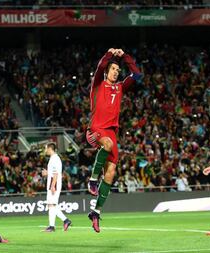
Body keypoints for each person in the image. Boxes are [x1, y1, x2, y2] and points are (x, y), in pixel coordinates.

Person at [86, 48, 141, 232]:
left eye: (118, 70)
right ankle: (93, 179)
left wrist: (125, 56)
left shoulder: (120, 87)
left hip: (111, 132)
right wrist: (109, 54)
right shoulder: (97, 84)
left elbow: (138, 75)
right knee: (107, 145)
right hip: (97, 127)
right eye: (113, 69)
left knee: (110, 174)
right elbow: (101, 65)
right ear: (107, 72)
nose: (116, 72)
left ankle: (96, 211)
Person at [41, 142, 72, 232]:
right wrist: (47, 173)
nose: (45, 150)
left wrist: (53, 185)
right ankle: (62, 222)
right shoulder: (53, 158)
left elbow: (56, 173)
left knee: (52, 205)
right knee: (52, 205)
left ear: (50, 149)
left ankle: (54, 225)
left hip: (53, 184)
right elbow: (53, 172)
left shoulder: (55, 159)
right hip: (52, 184)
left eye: (46, 148)